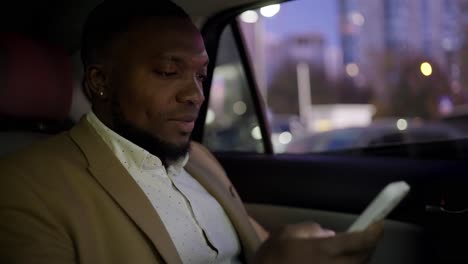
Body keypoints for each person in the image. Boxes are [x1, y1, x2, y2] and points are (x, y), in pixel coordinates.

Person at [0, 1, 383, 263]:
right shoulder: (24, 188)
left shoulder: (199, 159)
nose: (195, 95)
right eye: (169, 72)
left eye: (201, 75)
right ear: (100, 81)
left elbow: (257, 244)